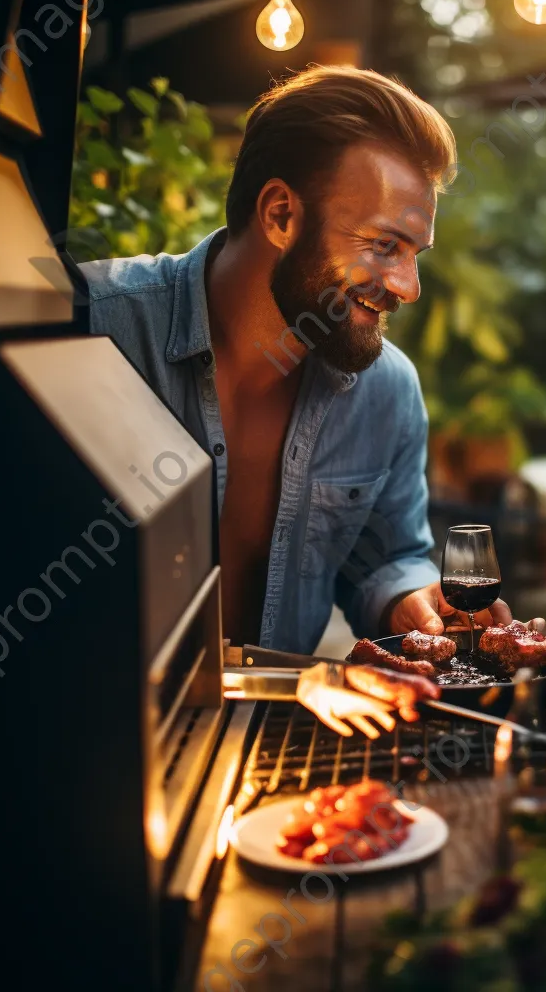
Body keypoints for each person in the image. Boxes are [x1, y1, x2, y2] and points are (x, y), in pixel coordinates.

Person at [83, 65, 510, 654]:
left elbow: (389, 558)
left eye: (415, 255)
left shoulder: (387, 391)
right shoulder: (94, 331)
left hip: (272, 731)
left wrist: (409, 598)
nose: (409, 286)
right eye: (384, 245)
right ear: (281, 214)